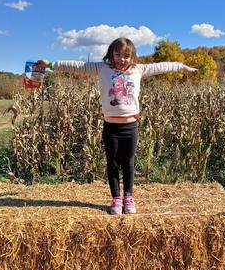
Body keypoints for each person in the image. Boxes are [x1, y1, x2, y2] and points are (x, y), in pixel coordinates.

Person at [35, 38, 198, 214]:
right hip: (110, 127)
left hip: (130, 127)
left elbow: (161, 66)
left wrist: (181, 66)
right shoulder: (102, 68)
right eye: (118, 54)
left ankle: (128, 197)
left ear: (132, 56)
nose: (122, 59)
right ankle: (116, 198)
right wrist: (50, 64)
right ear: (111, 54)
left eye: (126, 56)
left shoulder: (139, 69)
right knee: (112, 164)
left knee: (128, 163)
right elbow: (77, 65)